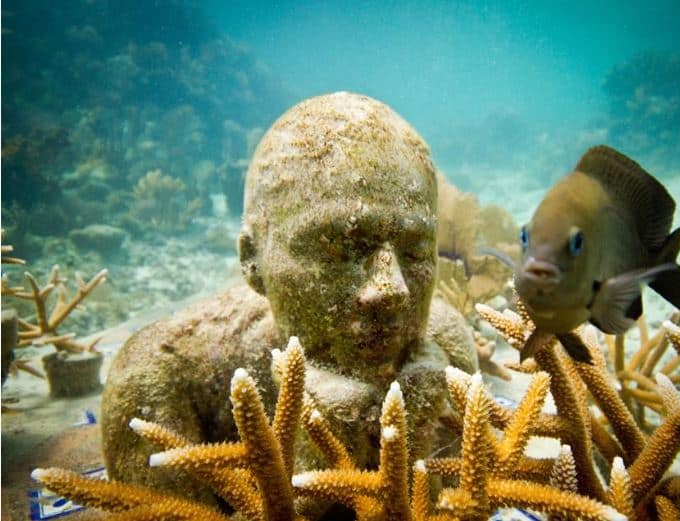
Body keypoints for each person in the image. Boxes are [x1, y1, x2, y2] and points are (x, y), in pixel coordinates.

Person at [100, 92, 478, 516]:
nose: (391, 290)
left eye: (415, 250)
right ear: (252, 260)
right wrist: (306, 480)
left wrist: (421, 448)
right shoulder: (160, 379)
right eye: (339, 250)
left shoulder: (446, 348)